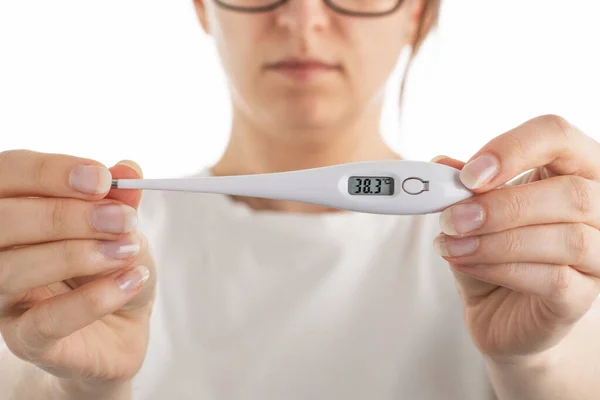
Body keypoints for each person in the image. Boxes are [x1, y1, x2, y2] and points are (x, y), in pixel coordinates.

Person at [1, 0, 600, 398]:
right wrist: (84, 392)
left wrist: (534, 366)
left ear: (416, 12)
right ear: (203, 8)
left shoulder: (546, 265)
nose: (304, 16)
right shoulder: (77, 266)